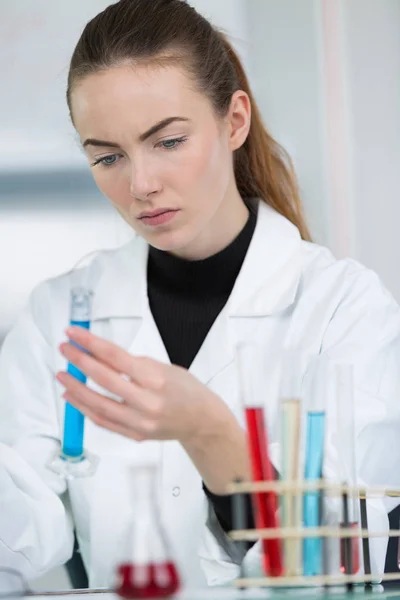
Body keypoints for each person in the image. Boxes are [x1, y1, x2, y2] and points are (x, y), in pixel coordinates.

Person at [1, 0, 400, 589]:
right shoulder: (59, 315)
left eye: (167, 141)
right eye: (107, 156)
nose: (140, 185)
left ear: (234, 120)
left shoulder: (342, 311)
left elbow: (343, 565)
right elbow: (19, 535)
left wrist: (210, 432)